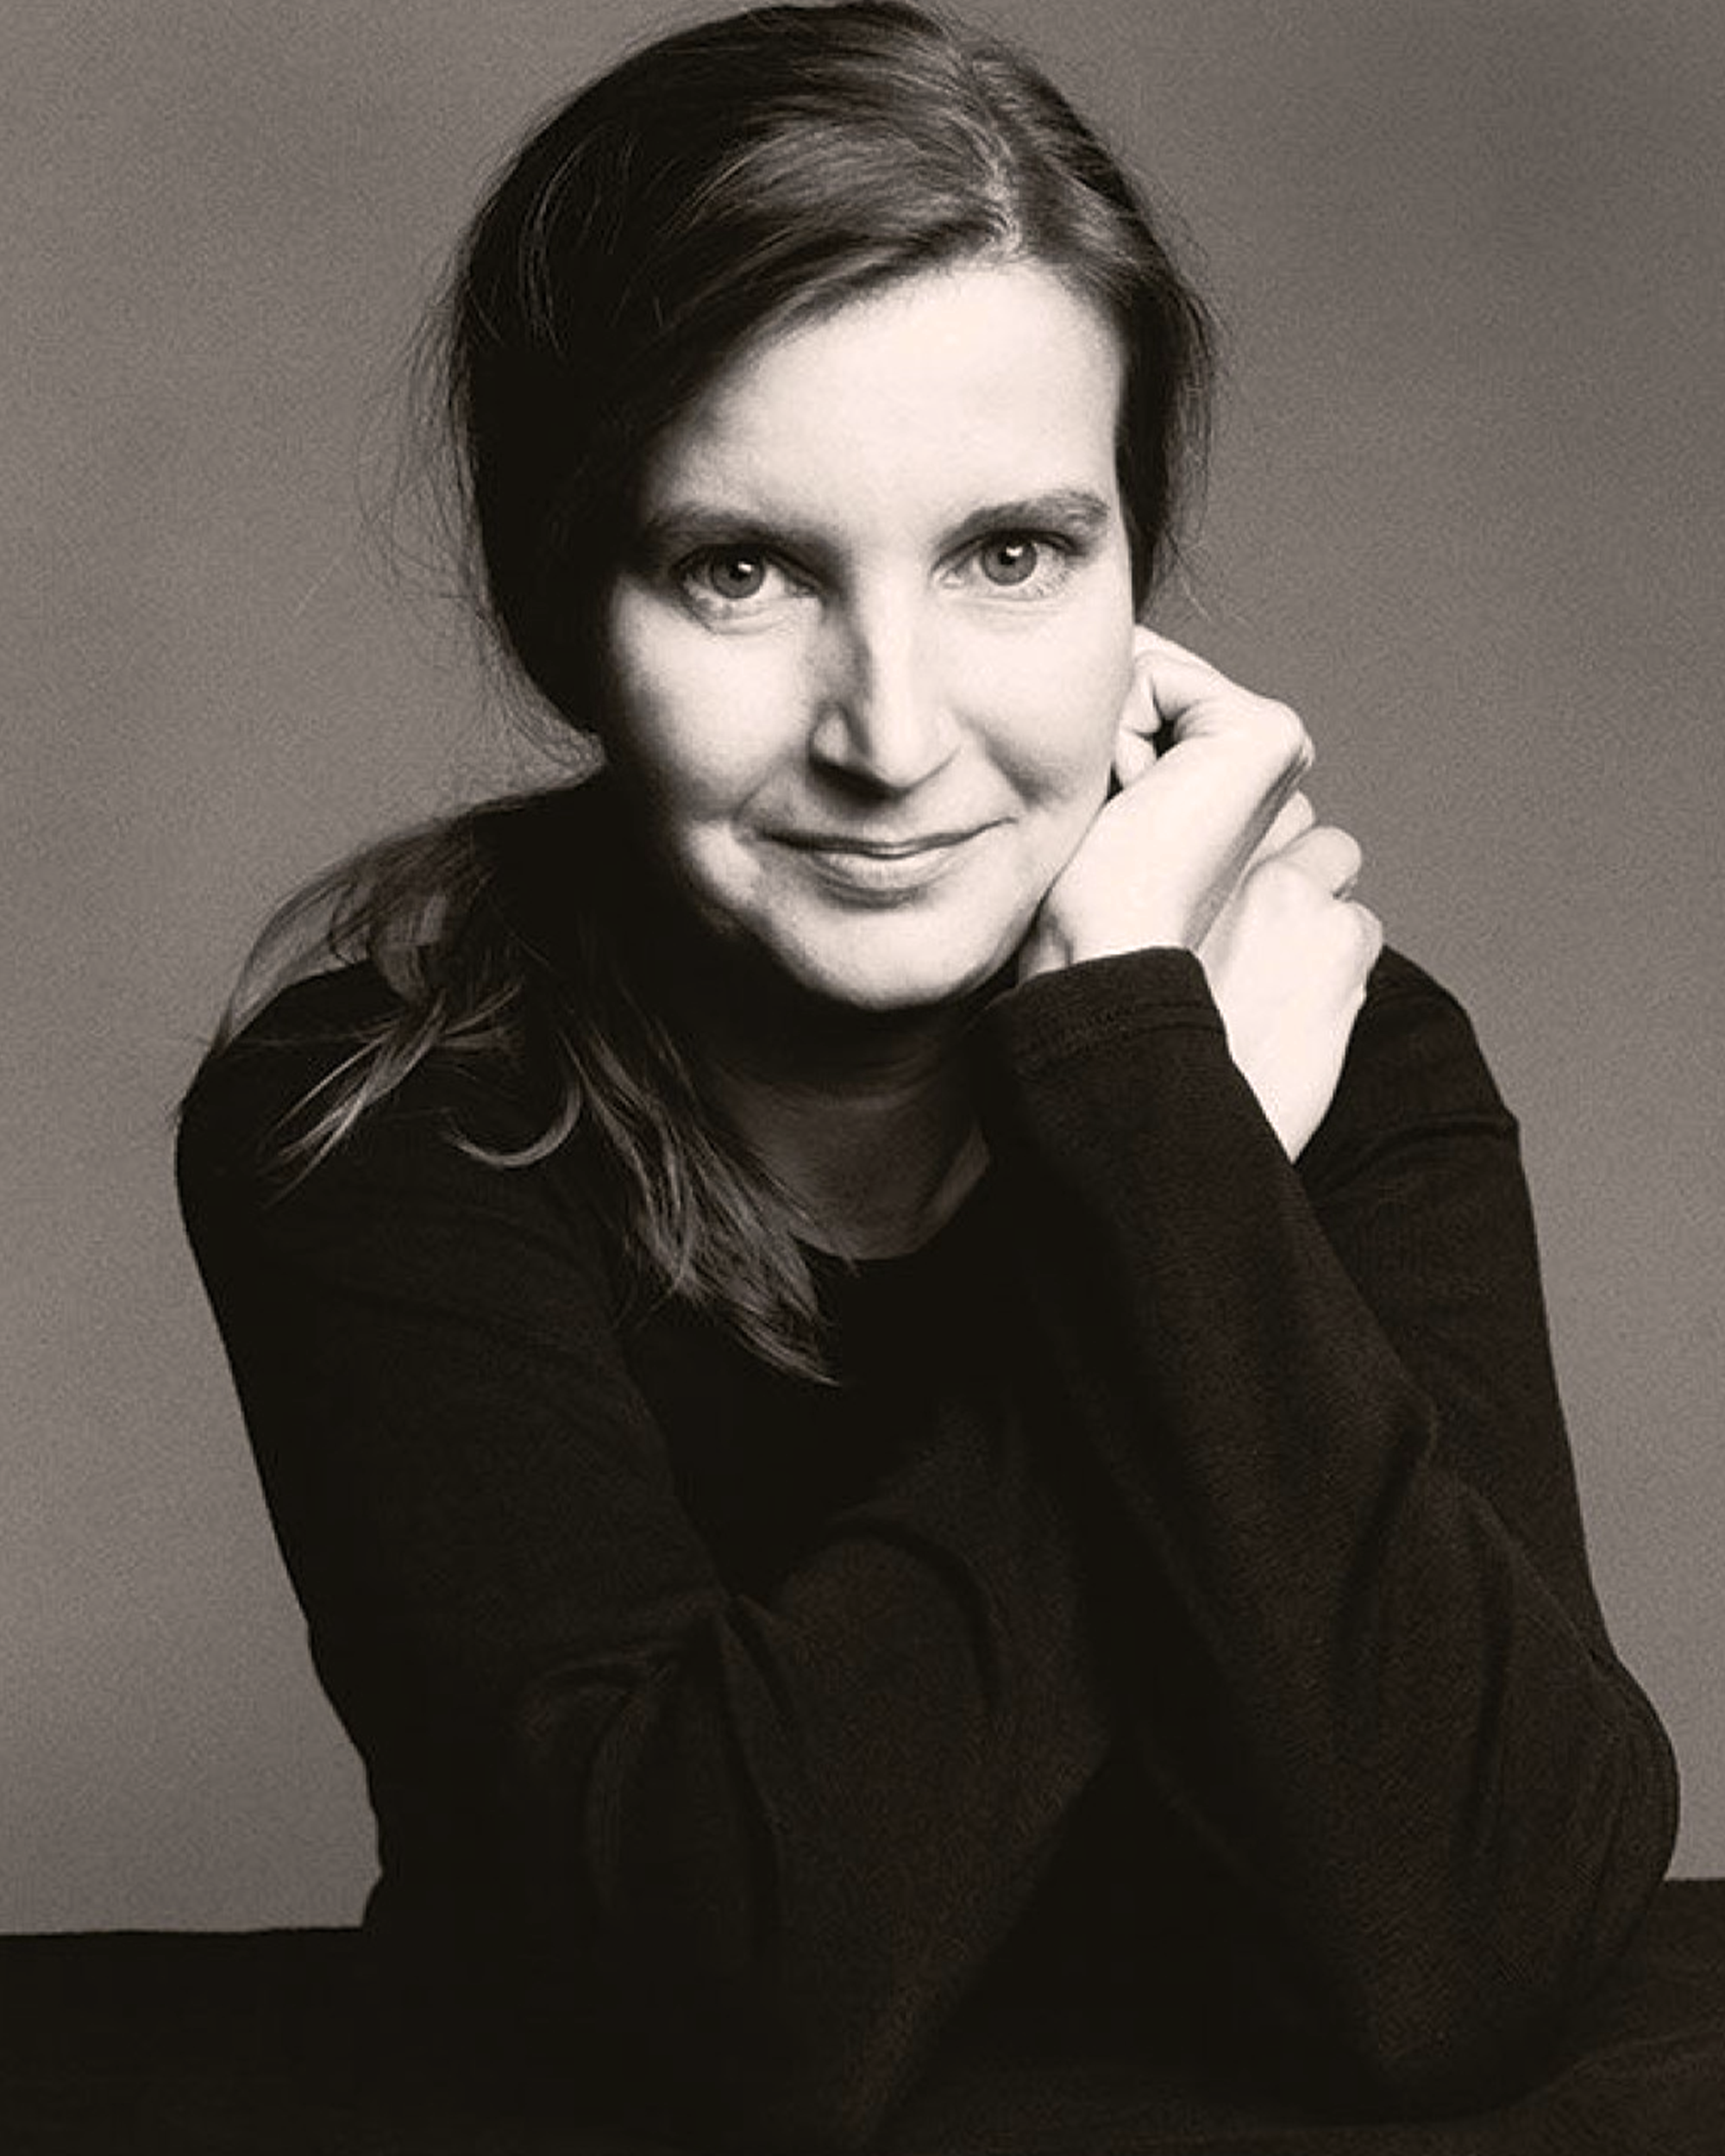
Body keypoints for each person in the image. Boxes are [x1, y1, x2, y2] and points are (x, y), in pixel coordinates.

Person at [176, 4, 1678, 2149]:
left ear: (1135, 580)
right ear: (560, 603)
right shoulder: (383, 1121)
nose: (890, 733)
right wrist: (1156, 1159)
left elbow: (1476, 1945)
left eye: (1009, 554)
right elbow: (737, 2010)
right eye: (740, 567)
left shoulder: (1328, 1038)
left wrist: (1154, 1117)